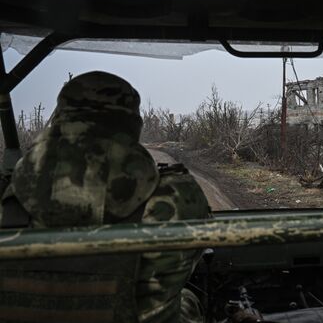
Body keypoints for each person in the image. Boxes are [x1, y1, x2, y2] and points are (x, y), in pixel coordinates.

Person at [0, 71, 210, 323]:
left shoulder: (6, 192)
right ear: (132, 124)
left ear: (60, 119)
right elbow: (158, 306)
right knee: (191, 301)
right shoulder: (175, 196)